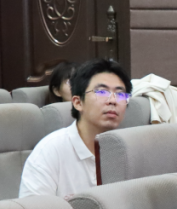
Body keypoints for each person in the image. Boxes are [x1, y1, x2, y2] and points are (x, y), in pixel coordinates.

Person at [19, 58, 131, 199]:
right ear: (78, 103)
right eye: (102, 92)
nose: (113, 100)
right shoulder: (49, 151)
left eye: (120, 94)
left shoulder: (130, 149)